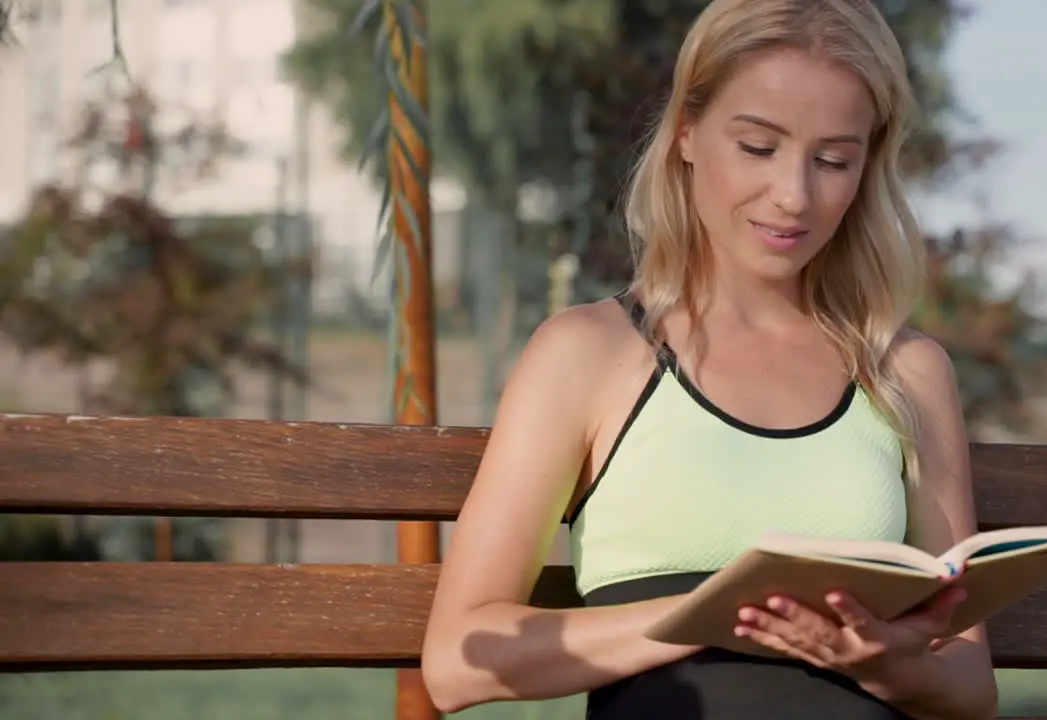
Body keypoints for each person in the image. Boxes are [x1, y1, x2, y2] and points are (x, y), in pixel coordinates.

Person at [421, 0, 999, 717]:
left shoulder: (904, 371)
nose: (793, 196)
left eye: (833, 161)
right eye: (759, 147)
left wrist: (884, 666)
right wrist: (713, 613)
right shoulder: (589, 355)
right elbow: (457, 663)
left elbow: (971, 687)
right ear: (687, 132)